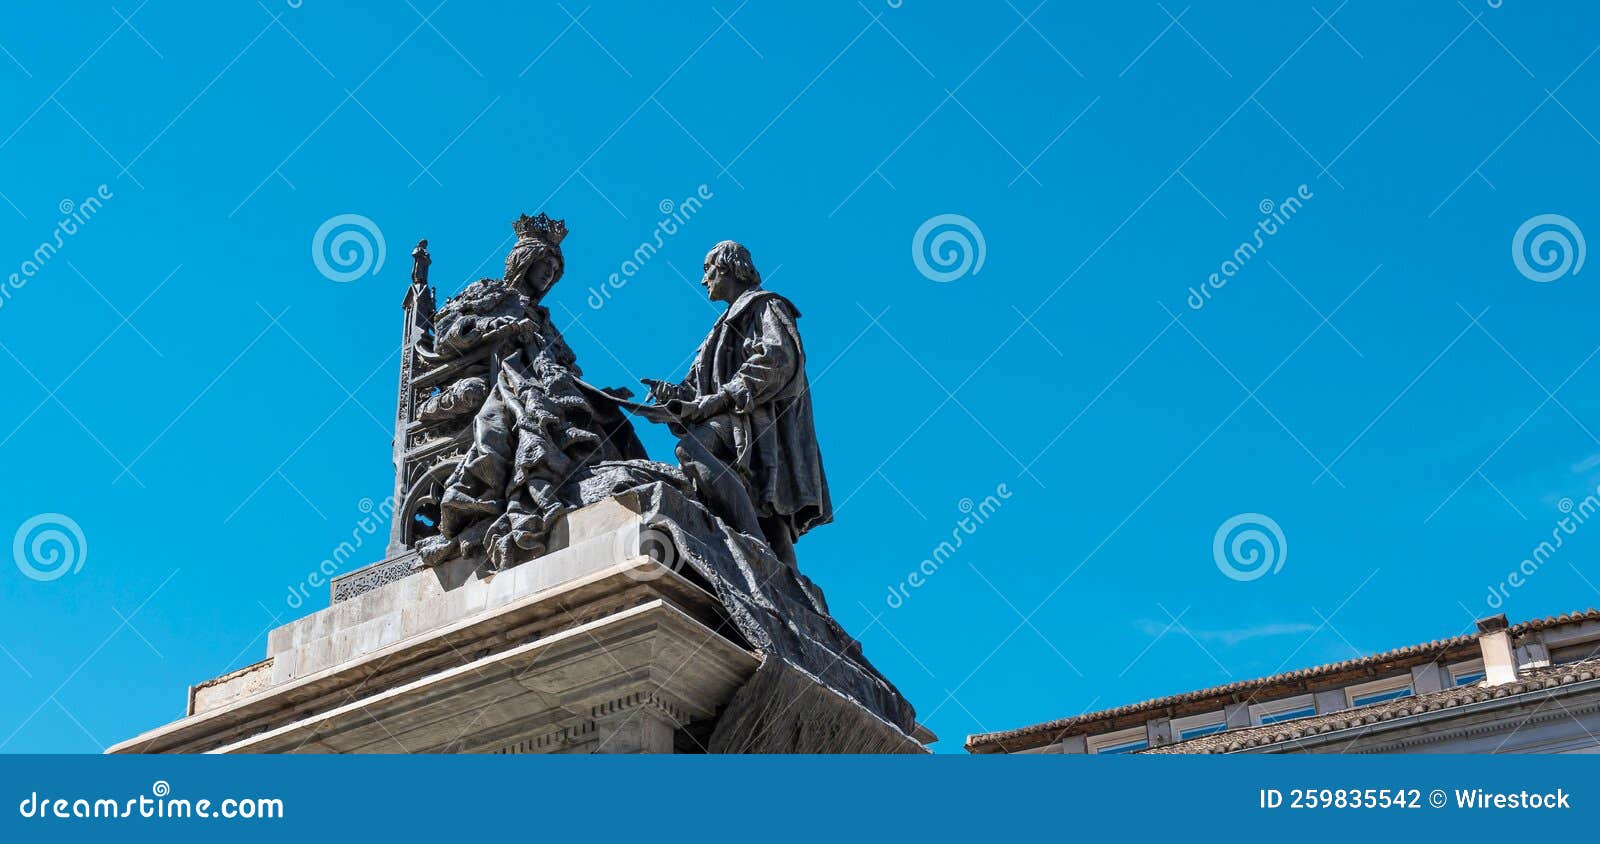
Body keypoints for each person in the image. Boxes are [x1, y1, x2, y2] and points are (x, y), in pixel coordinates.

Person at [636, 241, 832, 566]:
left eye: (706, 270)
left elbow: (777, 358)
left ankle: (753, 548)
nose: (703, 281)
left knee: (693, 449)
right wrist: (673, 395)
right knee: (769, 518)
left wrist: (720, 399)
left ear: (726, 267)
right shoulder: (718, 329)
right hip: (736, 419)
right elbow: (695, 387)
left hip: (757, 422)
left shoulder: (766, 306)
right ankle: (785, 581)